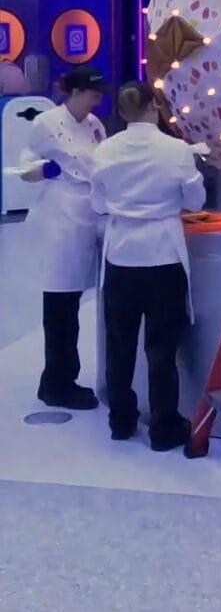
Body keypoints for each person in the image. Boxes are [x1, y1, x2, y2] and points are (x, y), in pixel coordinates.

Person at [90, 81, 205, 451]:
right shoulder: (176, 150)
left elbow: (99, 205)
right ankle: (163, 427)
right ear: (155, 106)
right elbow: (194, 200)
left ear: (122, 113)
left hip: (121, 255)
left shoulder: (104, 150)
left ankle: (121, 421)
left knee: (119, 343)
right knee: (161, 348)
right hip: (163, 256)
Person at [20, 65, 109, 410]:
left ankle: (62, 377)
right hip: (59, 218)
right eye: (92, 94)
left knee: (72, 303)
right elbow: (22, 168)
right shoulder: (46, 123)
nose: (97, 100)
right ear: (74, 92)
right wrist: (46, 170)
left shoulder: (95, 125)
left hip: (88, 216)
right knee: (60, 304)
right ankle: (56, 382)